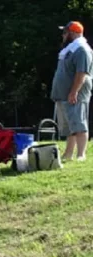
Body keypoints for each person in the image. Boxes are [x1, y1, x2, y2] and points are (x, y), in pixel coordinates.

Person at [51, 21, 93, 162]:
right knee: (69, 127)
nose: (63, 35)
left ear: (73, 33)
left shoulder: (82, 49)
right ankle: (68, 154)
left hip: (76, 93)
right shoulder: (69, 49)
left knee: (79, 124)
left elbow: (82, 73)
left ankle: (81, 154)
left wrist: (74, 92)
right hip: (64, 94)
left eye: (65, 32)